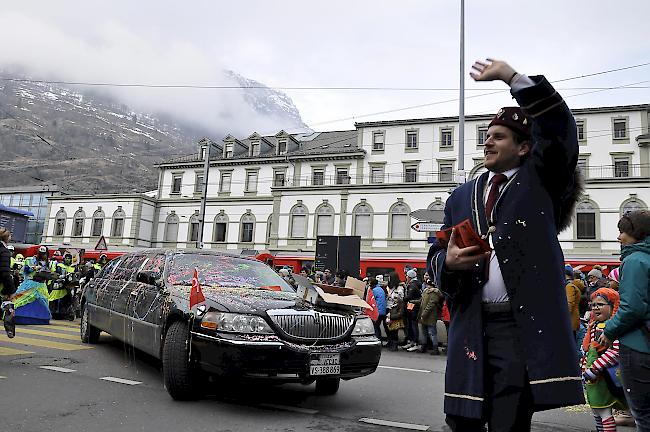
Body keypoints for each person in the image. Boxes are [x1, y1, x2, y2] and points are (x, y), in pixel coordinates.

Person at [427, 58, 584, 431]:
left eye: (498, 136)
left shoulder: (543, 182)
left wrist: (511, 78)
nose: (488, 141)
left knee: (509, 423)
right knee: (460, 419)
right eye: (487, 134)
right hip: (470, 323)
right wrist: (448, 262)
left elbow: (559, 128)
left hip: (518, 328)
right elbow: (435, 254)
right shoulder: (460, 196)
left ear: (525, 147)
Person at [601, 210, 650, 430]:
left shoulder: (634, 260)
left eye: (622, 231)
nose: (619, 237)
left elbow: (631, 308)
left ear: (635, 233)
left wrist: (609, 330)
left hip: (638, 345)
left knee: (643, 414)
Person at [582, 288, 627, 432]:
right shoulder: (594, 326)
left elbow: (615, 351)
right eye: (593, 305)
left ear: (613, 305)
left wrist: (594, 368)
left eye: (600, 304)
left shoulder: (612, 327)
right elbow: (589, 350)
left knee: (604, 411)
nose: (595, 308)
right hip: (593, 377)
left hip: (604, 376)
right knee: (597, 411)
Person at [416, 278, 443, 354]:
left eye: (428, 284)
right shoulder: (425, 291)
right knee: (424, 332)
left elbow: (430, 305)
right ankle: (424, 346)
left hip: (430, 316)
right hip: (424, 315)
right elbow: (421, 301)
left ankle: (435, 348)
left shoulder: (434, 293)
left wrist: (423, 314)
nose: (427, 286)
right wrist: (412, 302)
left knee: (432, 333)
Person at [0, 227, 17, 338]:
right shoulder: (4, 251)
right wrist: (11, 290)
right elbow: (5, 272)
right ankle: (9, 329)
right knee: (9, 307)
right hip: (1, 286)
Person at [402, 269, 421, 351]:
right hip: (412, 306)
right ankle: (412, 342)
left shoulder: (412, 285)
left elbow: (409, 296)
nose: (406, 277)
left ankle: (415, 342)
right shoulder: (415, 283)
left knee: (413, 325)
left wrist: (402, 299)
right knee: (411, 324)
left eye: (407, 276)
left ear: (409, 277)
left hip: (413, 306)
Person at [565, 266, 582, 339]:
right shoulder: (572, 285)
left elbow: (569, 304)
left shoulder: (569, 286)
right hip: (572, 320)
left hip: (569, 321)